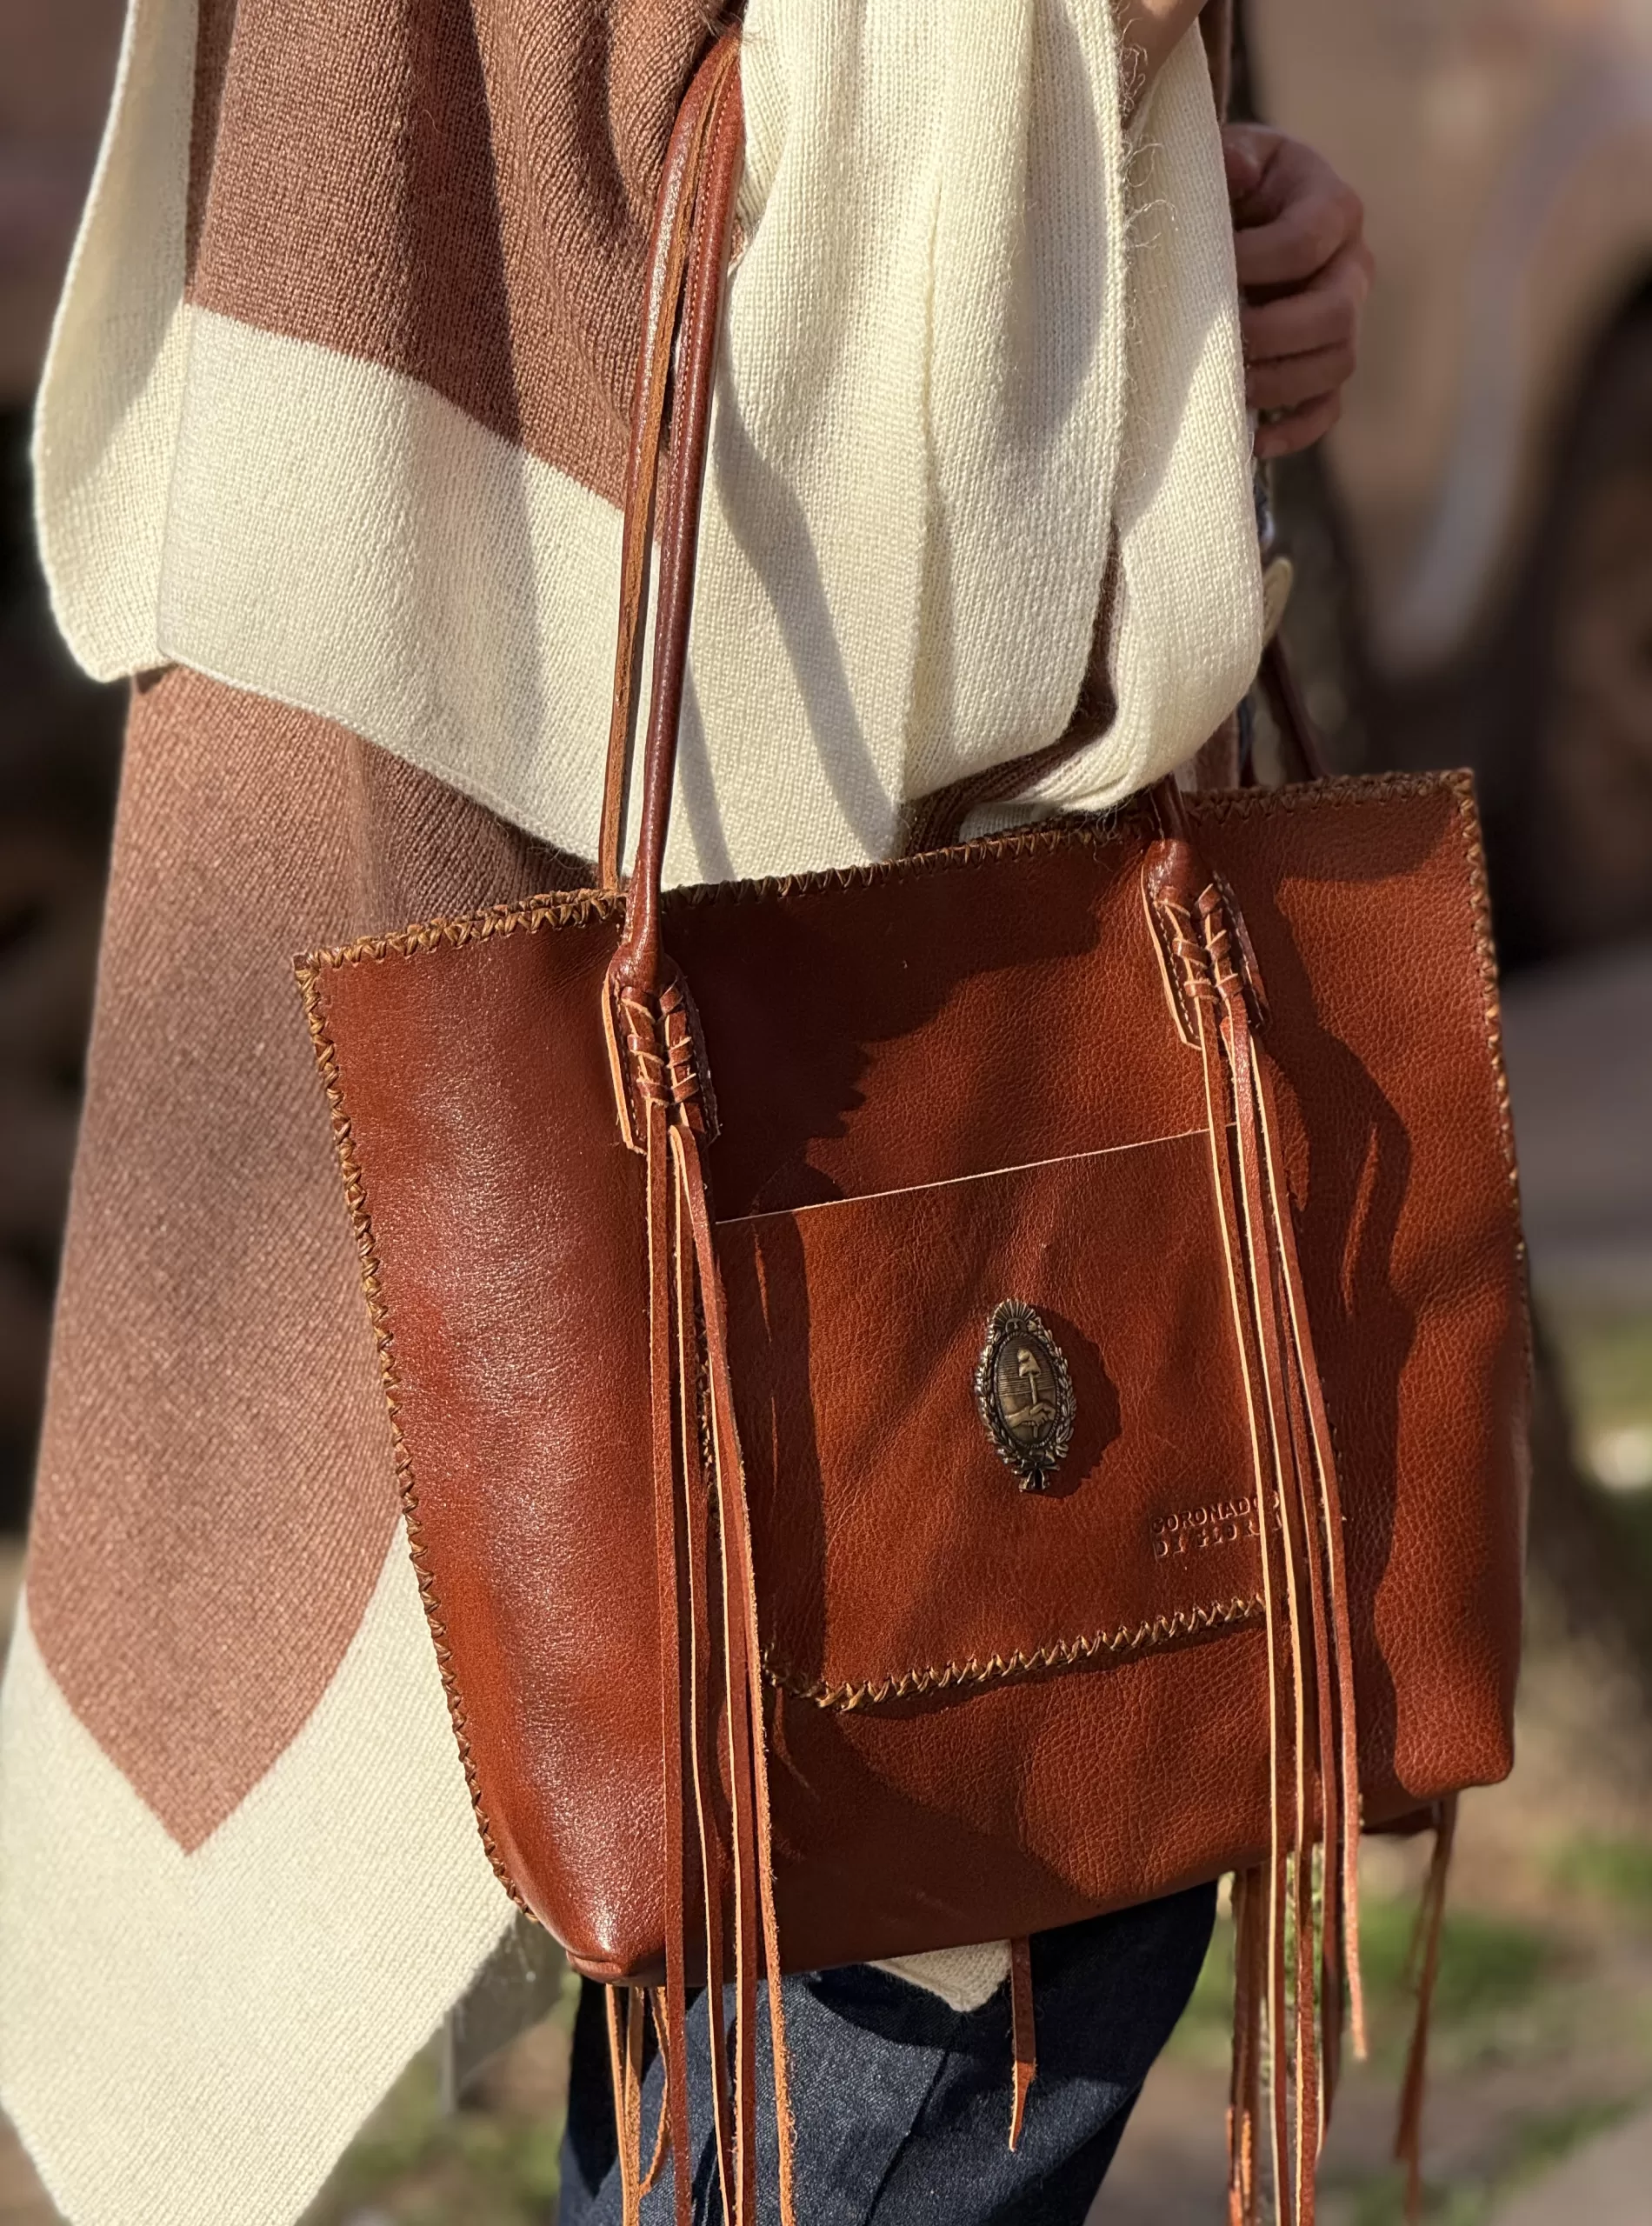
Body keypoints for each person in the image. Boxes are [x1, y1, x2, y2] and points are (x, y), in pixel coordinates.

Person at [1, 3, 1368, 2222]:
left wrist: (1200, 251)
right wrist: (1097, 207)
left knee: (759, 2001)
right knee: (869, 1953)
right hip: (820, 1066)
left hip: (838, 1034)